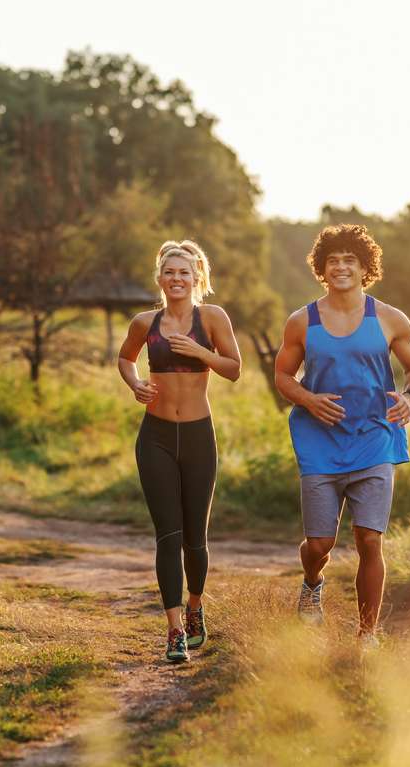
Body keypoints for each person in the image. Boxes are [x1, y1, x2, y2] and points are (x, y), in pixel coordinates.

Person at [273, 224, 410, 645]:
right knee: (319, 543)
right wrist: (308, 400)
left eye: (350, 260)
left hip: (374, 438)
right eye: (333, 260)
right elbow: (283, 376)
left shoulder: (390, 318)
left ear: (365, 268)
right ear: (322, 268)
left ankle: (367, 634)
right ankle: (311, 583)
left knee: (369, 539)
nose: (341, 267)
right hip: (319, 442)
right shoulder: (301, 321)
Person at [117, 240, 242, 662]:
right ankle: (173, 631)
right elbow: (125, 359)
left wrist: (200, 352)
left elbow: (234, 369)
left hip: (197, 437)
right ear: (160, 278)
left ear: (197, 278)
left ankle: (195, 608)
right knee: (167, 537)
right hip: (154, 437)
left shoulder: (212, 318)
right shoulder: (144, 322)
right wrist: (135, 384)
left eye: (184, 273)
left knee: (195, 539)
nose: (176, 279)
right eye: (169, 272)